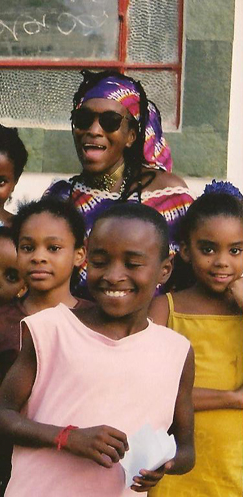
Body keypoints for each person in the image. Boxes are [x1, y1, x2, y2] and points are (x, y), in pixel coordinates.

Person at [0, 203, 195, 496]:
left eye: (133, 264)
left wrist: (166, 464)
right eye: (100, 262)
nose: (113, 275)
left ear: (165, 269)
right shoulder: (51, 329)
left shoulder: (176, 352)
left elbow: (186, 449)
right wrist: (67, 438)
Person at [0, 198, 92, 496]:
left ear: (79, 255)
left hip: (82, 471)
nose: (38, 257)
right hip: (19, 476)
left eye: (53, 248)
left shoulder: (96, 319)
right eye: (27, 247)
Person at [45, 70, 194, 295]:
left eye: (110, 121)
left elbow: (193, 276)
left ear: (131, 136)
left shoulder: (169, 196)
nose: (94, 130)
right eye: (84, 119)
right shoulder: (61, 197)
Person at [148, 183, 243, 497]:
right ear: (186, 250)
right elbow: (152, 393)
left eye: (236, 250)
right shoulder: (165, 308)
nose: (222, 262)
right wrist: (233, 399)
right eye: (208, 248)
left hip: (235, 468)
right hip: (177, 465)